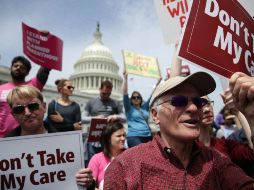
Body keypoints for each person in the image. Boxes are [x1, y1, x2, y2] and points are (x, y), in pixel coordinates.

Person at [103, 72, 254, 189]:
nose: (194, 108)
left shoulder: (217, 161)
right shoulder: (124, 167)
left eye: (198, 101)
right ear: (155, 115)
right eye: (179, 101)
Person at [5, 85, 94, 189]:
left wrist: (88, 182)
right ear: (13, 114)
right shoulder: (4, 150)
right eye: (19, 109)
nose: (27, 113)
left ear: (44, 107)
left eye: (33, 106)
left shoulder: (67, 143)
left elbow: (80, 183)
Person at [199, 95, 254, 177]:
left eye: (208, 103)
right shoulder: (187, 149)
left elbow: (251, 153)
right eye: (199, 105)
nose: (207, 109)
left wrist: (238, 112)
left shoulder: (224, 144)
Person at [0, 56, 50, 137]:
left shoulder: (33, 85)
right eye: (16, 66)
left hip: (27, 134)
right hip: (3, 137)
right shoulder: (0, 88)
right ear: (10, 68)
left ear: (27, 72)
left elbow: (45, 68)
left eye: (22, 67)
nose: (18, 68)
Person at [82, 80, 126, 163]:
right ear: (100, 89)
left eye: (108, 94)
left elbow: (124, 118)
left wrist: (116, 116)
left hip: (109, 138)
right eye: (104, 93)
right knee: (94, 160)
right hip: (95, 138)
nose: (106, 96)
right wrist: (95, 118)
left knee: (108, 161)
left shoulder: (115, 103)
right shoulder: (91, 102)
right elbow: (82, 118)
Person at [76, 122, 126, 189]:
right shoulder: (97, 159)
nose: (123, 138)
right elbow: (90, 185)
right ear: (108, 139)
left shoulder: (129, 156)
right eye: (119, 136)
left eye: (124, 135)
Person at [123, 71, 161, 147]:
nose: (136, 99)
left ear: (141, 99)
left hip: (147, 135)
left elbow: (152, 95)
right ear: (131, 100)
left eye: (138, 97)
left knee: (148, 156)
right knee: (139, 156)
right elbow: (125, 93)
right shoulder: (129, 108)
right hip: (134, 136)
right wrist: (126, 78)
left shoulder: (145, 107)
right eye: (134, 97)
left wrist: (158, 81)